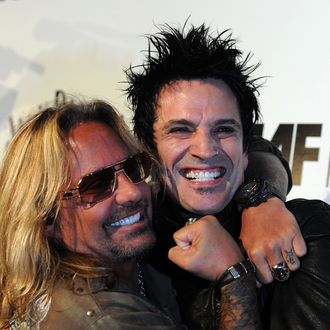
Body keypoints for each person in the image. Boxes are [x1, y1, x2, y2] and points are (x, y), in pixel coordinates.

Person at [125, 23, 330, 329]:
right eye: (180, 130)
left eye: (224, 130)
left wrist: (260, 199)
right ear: (149, 150)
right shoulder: (129, 250)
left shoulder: (307, 231)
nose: (206, 150)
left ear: (246, 149)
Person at [0, 100, 260, 329]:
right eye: (96, 185)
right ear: (48, 218)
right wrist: (236, 276)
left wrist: (261, 200)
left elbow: (259, 150)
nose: (132, 192)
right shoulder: (103, 320)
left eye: (134, 168)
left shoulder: (128, 254)